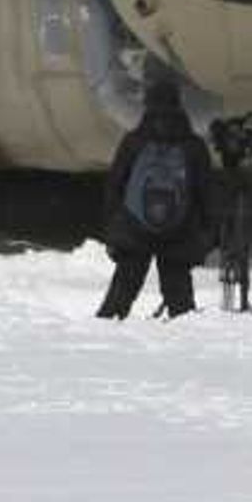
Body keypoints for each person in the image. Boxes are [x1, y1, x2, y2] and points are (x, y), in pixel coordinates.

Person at [97, 73, 217, 320]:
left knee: (123, 289)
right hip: (179, 231)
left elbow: (115, 185)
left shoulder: (134, 142)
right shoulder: (193, 145)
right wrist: (208, 234)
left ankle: (106, 331)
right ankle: (185, 340)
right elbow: (206, 192)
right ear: (178, 104)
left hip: (135, 229)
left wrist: (114, 227)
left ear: (147, 104)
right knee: (180, 297)